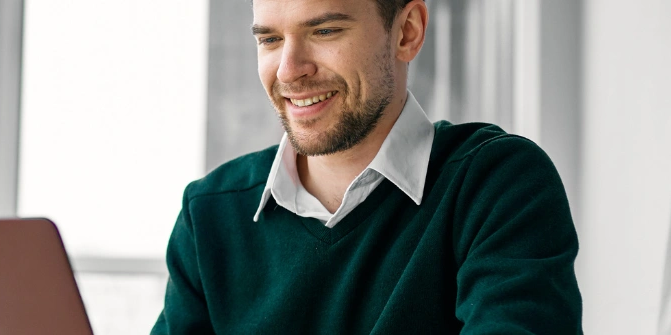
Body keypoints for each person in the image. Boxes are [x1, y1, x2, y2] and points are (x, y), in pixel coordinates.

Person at [151, 0, 583, 333]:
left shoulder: (498, 185)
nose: (289, 70)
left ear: (407, 32)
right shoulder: (208, 215)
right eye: (269, 40)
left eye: (324, 30)